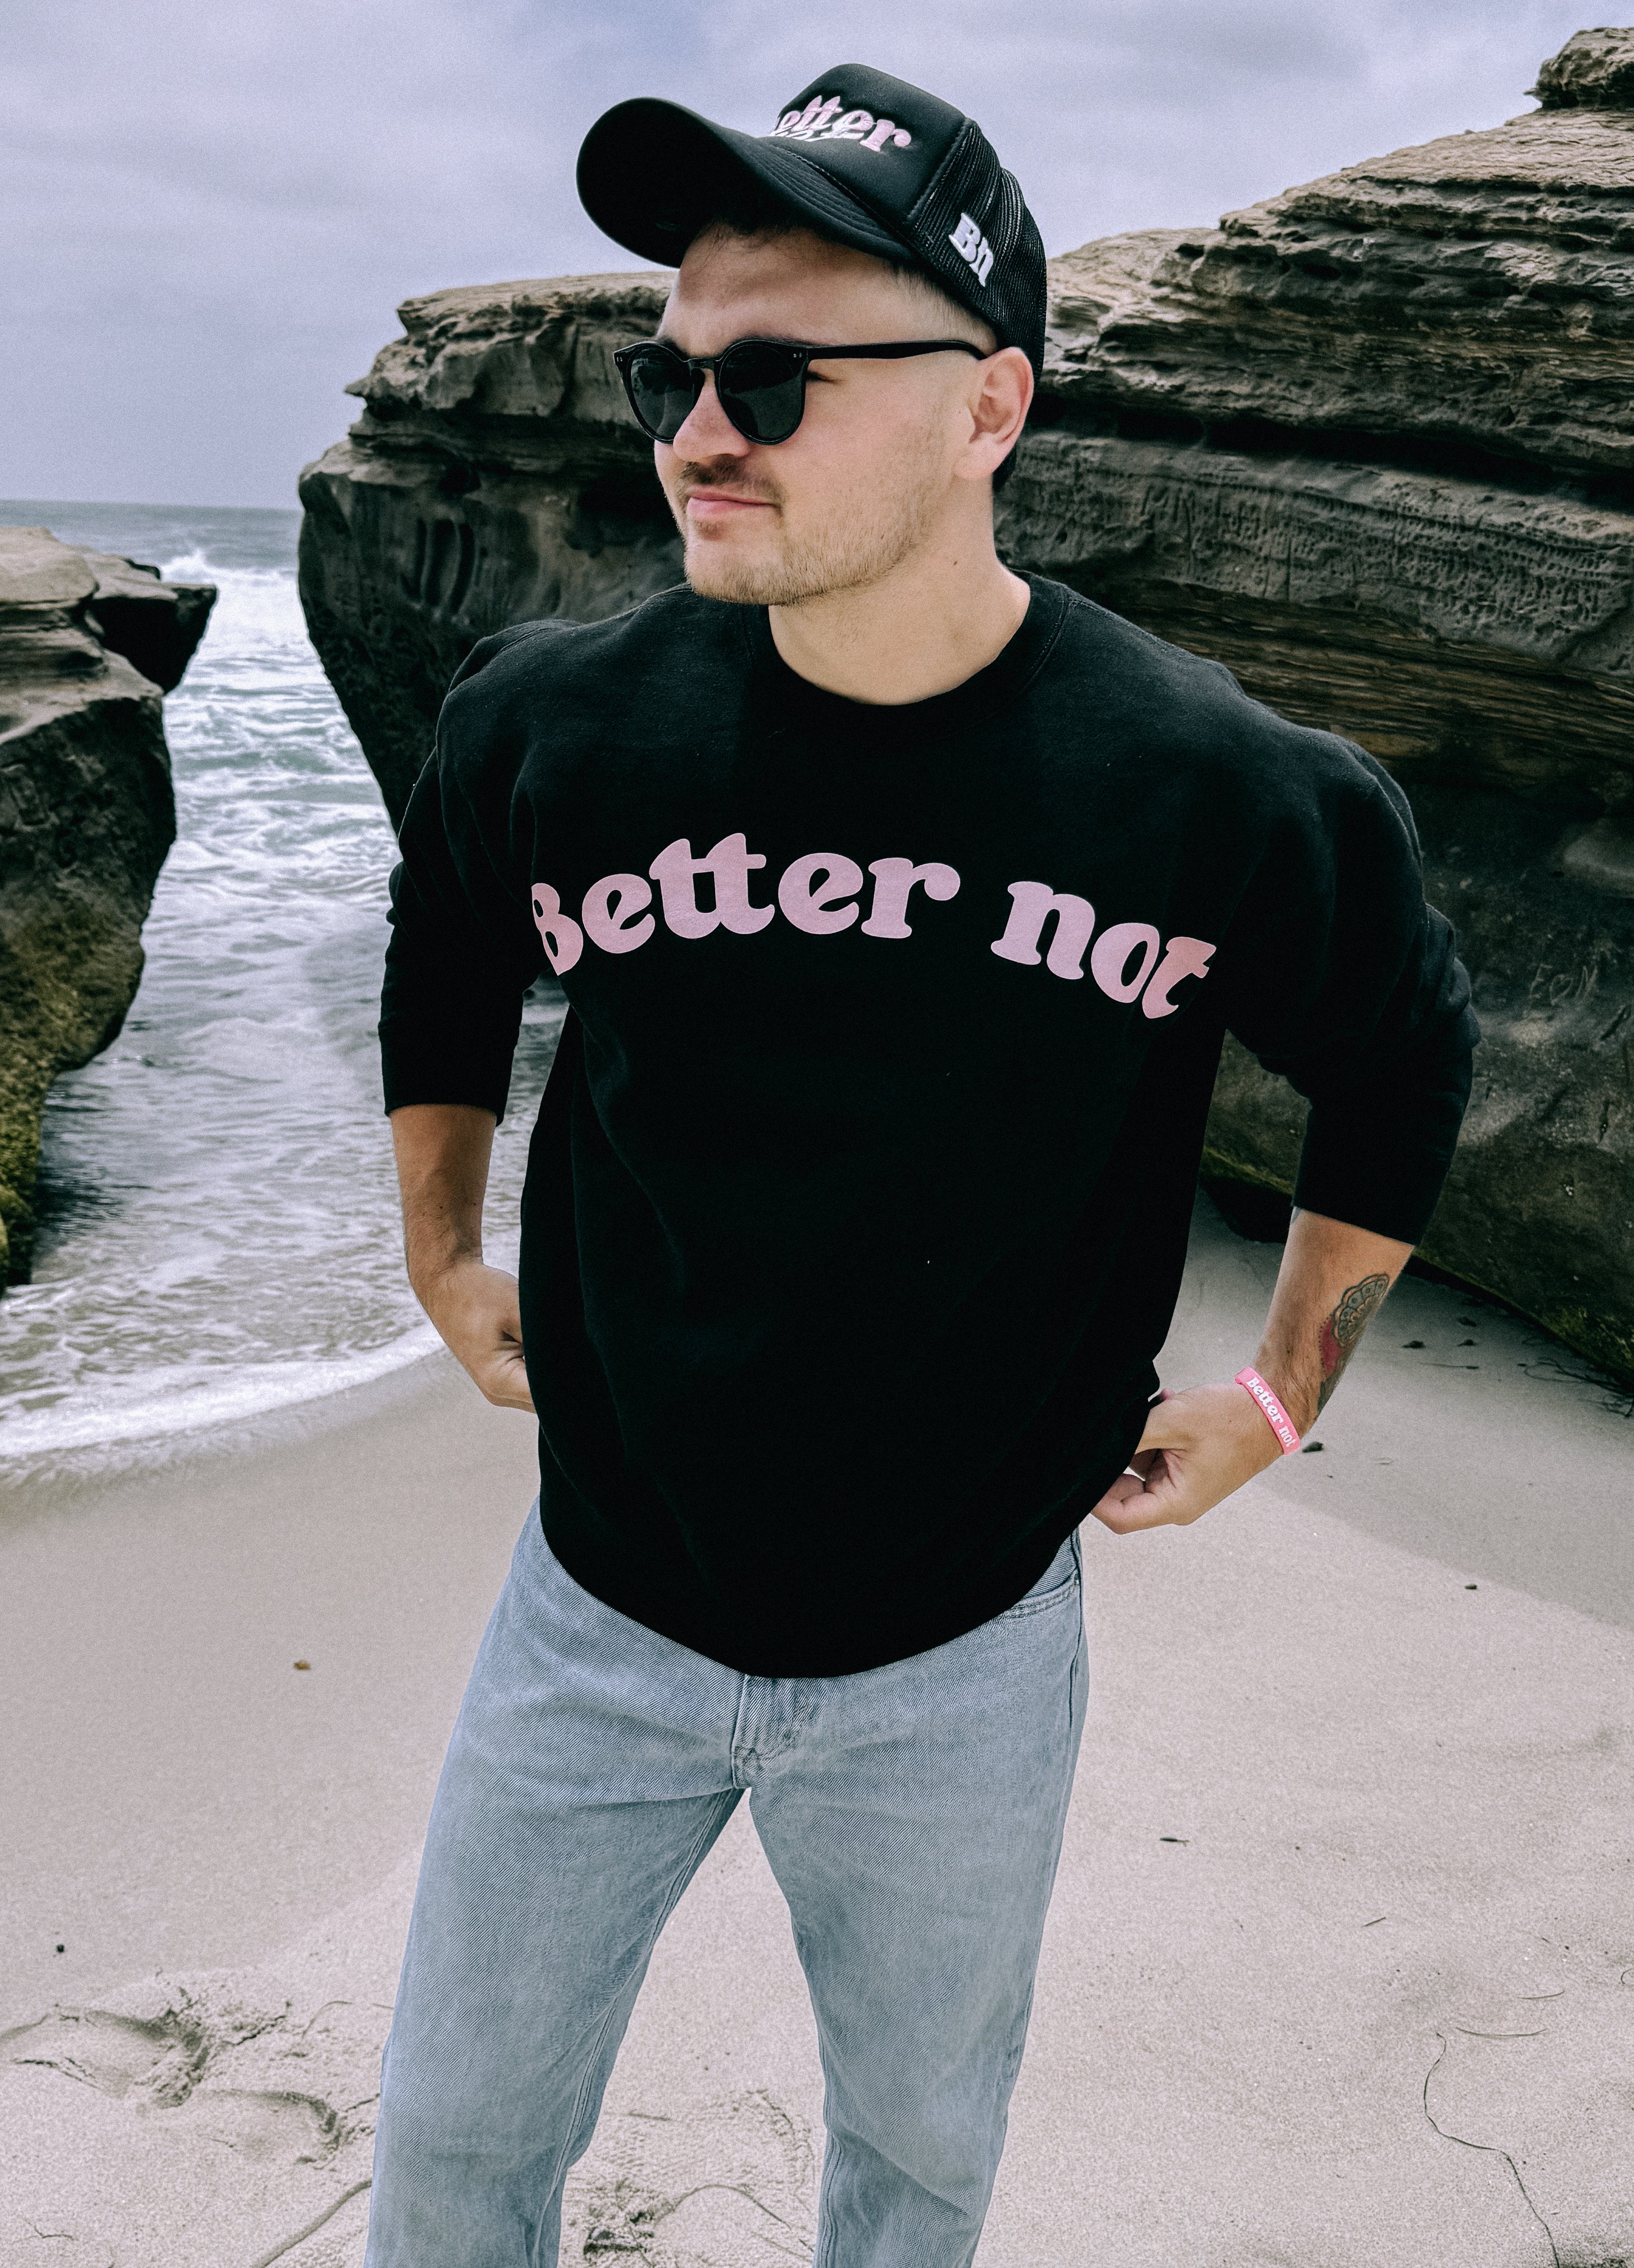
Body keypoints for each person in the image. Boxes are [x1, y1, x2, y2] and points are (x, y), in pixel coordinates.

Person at [364, 63, 1476, 2267]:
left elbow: (1404, 1056)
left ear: (989, 410)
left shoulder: (1219, 791)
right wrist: (442, 1252)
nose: (696, 431)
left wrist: (1280, 1396)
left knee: (918, 2168)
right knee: (458, 2154)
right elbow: (448, 936)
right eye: (669, 370)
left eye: (773, 377)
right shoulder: (553, 722)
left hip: (965, 1652)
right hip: (595, 1608)